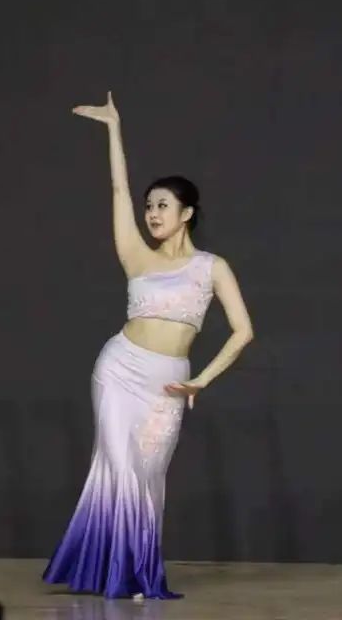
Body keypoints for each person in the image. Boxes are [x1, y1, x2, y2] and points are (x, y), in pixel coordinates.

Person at [41, 92, 255, 600]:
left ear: (186, 213)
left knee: (148, 475)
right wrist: (113, 129)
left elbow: (243, 330)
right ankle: (121, 574)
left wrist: (202, 380)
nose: (152, 212)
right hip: (119, 370)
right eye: (150, 205)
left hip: (167, 382)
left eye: (162, 205)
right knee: (119, 466)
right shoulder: (136, 255)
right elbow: (119, 190)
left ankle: (132, 570)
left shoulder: (212, 267)